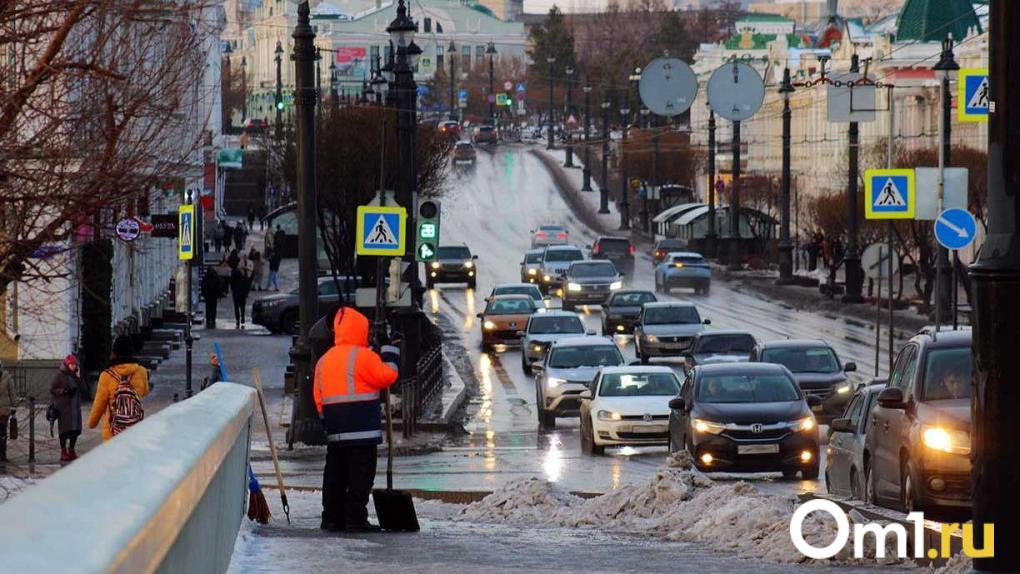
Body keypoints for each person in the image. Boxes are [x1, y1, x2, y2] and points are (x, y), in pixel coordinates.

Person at [314, 307, 400, 532]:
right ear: (360, 329)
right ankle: (355, 518)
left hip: (335, 430)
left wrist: (326, 422)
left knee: (335, 474)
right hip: (362, 430)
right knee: (360, 476)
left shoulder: (324, 360)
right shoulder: (364, 357)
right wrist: (391, 350)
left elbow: (318, 396)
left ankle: (332, 518)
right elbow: (387, 375)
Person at [87, 335, 149, 441]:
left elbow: (99, 403)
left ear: (114, 353)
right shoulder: (141, 371)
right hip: (134, 429)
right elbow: (145, 392)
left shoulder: (106, 375)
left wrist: (91, 423)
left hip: (112, 432)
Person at [50, 354, 84, 461]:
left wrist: (79, 377)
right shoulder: (59, 375)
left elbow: (83, 388)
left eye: (75, 364)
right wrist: (63, 391)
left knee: (75, 430)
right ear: (68, 364)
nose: (74, 366)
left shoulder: (75, 375)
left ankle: (72, 450)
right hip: (64, 407)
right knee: (64, 431)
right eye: (73, 364)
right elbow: (52, 389)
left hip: (75, 407)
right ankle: (63, 451)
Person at [0, 361, 17, 463]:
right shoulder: (7, 377)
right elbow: (12, 392)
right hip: (4, 410)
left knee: (2, 433)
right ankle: (2, 455)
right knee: (2, 433)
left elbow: (12, 392)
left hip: (4, 411)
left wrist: (13, 406)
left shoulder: (7, 377)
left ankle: (2, 454)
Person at [229, 263, 251, 329]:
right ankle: (243, 317)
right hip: (242, 295)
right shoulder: (243, 279)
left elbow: (231, 285)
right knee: (242, 307)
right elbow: (247, 285)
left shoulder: (233, 279)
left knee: (236, 307)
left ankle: (237, 320)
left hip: (236, 294)